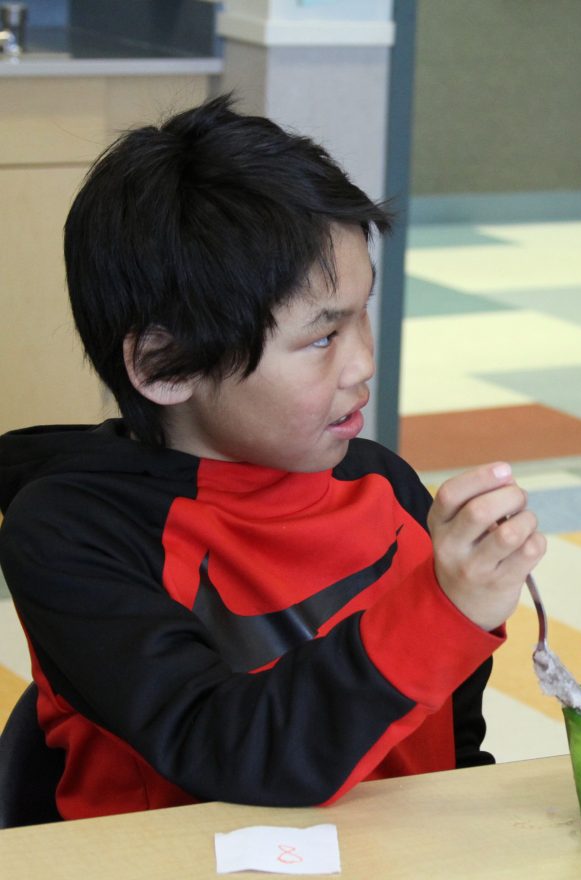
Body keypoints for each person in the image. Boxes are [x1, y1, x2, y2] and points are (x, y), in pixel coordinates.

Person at [0, 96, 545, 820]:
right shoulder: (71, 531)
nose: (362, 364)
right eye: (321, 337)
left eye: (362, 314)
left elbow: (447, 736)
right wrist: (442, 609)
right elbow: (228, 749)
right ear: (166, 365)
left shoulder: (386, 486)